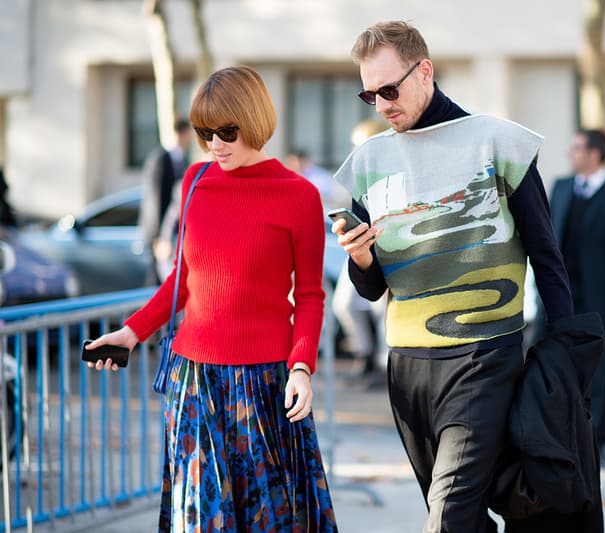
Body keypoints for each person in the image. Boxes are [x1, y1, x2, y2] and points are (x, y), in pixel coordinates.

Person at [332, 21, 573, 532]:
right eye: (368, 94)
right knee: (460, 519)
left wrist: (568, 353)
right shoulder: (369, 162)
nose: (381, 104)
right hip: (407, 369)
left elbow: (547, 256)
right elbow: (373, 289)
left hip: (483, 357)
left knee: (449, 518)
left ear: (425, 71)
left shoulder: (498, 142)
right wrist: (360, 259)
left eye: (389, 90)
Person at [85, 65, 337, 533]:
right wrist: (132, 331)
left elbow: (309, 296)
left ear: (255, 122)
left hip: (264, 384)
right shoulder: (195, 182)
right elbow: (183, 282)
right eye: (204, 132)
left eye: (226, 131)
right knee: (198, 518)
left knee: (270, 520)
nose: (214, 144)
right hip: (194, 381)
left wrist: (302, 367)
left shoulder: (299, 195)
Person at [548, 128, 605, 469]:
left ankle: (596, 445)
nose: (569, 154)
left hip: (598, 301)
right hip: (556, 298)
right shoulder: (560, 188)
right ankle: (551, 440)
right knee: (548, 368)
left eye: (576, 148)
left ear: (594, 154)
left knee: (597, 377)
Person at [331, 119, 389, 383]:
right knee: (343, 305)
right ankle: (365, 355)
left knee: (382, 311)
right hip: (357, 249)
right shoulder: (358, 173)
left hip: (386, 249)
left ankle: (383, 363)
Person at [139, 117, 193, 283]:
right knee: (156, 284)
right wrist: (159, 239)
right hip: (159, 234)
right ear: (183, 133)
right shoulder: (160, 159)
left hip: (171, 233)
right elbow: (155, 200)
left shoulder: (182, 160)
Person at [284, 148, 350, 208]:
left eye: (292, 162)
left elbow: (332, 198)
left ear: (302, 161)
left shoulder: (318, 176)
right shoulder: (290, 177)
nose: (289, 166)